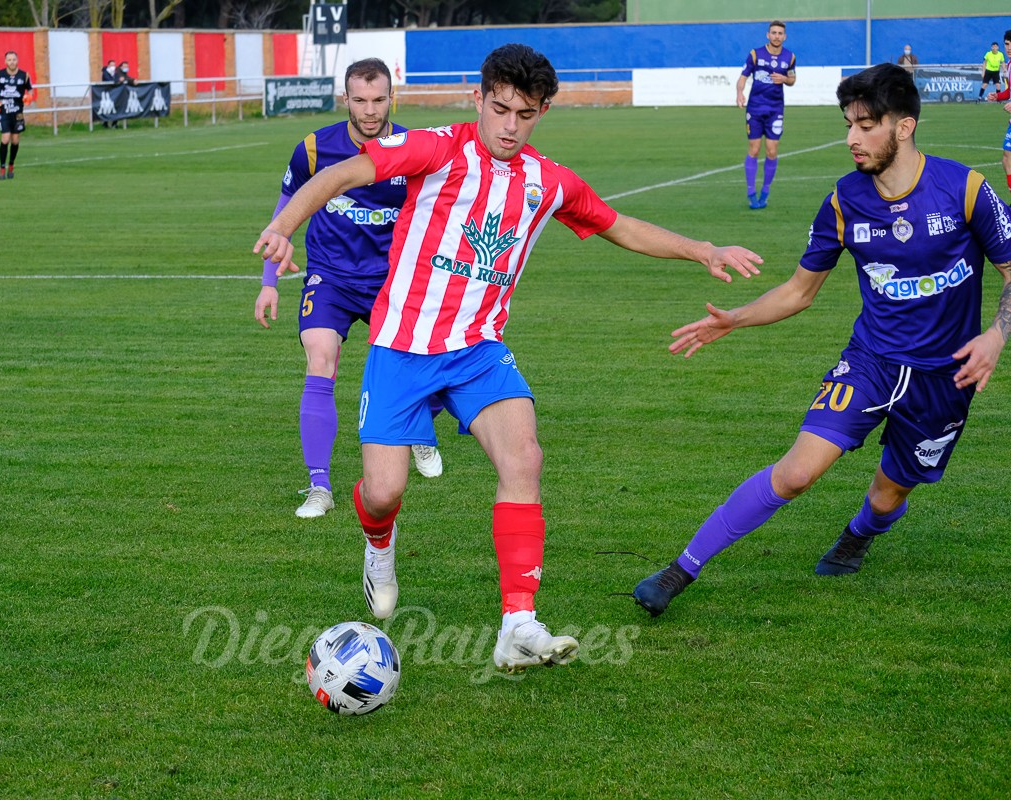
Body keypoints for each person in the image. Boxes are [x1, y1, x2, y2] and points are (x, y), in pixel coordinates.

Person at [255, 43, 763, 672]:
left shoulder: (548, 181)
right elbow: (343, 175)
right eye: (499, 109)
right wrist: (286, 226)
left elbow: (618, 225)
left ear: (542, 112)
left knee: (524, 457)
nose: (509, 125)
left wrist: (700, 248)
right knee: (383, 493)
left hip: (478, 351)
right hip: (402, 347)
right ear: (479, 99)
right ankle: (377, 542)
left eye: (524, 114)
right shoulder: (437, 150)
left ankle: (517, 623)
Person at [633, 63, 1011, 618]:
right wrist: (733, 319)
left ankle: (859, 533)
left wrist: (996, 336)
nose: (852, 138)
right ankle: (677, 571)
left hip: (945, 377)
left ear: (903, 127)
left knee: (889, 494)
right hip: (871, 363)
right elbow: (798, 291)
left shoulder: (967, 189)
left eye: (865, 125)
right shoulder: (844, 201)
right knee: (795, 473)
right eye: (848, 124)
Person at [254, 58, 446, 519]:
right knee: (320, 357)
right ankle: (319, 487)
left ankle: (419, 424)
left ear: (391, 97)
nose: (370, 110)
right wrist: (268, 283)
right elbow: (284, 214)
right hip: (331, 276)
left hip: (391, 281)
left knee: (433, 366)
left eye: (379, 99)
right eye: (360, 100)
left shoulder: (411, 149)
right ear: (345, 99)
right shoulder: (315, 149)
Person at [737, 20, 797, 210]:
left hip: (775, 110)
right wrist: (739, 92)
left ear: (784, 37)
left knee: (771, 151)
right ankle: (750, 192)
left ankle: (765, 191)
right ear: (767, 35)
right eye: (774, 33)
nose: (777, 36)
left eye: (780, 33)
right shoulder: (756, 54)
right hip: (755, 109)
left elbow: (793, 79)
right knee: (754, 149)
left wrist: (785, 79)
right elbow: (743, 77)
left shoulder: (790, 57)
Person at [0, 51, 35, 180]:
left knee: (15, 140)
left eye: (14, 59)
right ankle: (2, 168)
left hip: (17, 113)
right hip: (4, 112)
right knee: (5, 138)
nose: (11, 62)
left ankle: (11, 165)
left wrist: (29, 96)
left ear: (17, 60)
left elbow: (30, 89)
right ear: (5, 62)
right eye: (9, 60)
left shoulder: (24, 76)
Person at [984, 31, 1011, 197]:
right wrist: (998, 96)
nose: (1009, 48)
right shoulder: (1009, 65)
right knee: (1006, 159)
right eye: (1007, 44)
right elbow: (1010, 91)